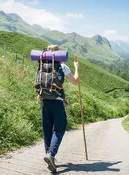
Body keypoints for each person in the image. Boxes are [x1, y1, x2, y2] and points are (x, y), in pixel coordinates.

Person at [39, 44, 79, 172]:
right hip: (57, 102)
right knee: (60, 128)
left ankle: (49, 157)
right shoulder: (62, 66)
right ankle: (51, 154)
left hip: (44, 101)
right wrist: (76, 68)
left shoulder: (42, 65)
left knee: (47, 129)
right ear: (57, 53)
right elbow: (75, 81)